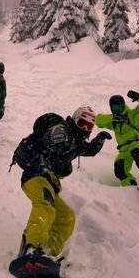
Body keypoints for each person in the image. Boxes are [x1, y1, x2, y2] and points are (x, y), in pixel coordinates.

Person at [11, 107, 111, 259]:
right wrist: (57, 136)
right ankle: (32, 248)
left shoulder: (75, 142)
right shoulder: (63, 130)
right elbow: (55, 131)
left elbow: (89, 150)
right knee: (45, 207)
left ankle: (48, 254)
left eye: (89, 126)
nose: (85, 128)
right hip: (36, 175)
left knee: (66, 217)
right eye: (83, 123)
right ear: (75, 120)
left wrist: (100, 140)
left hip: (48, 181)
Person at [95, 90, 139, 187]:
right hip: (123, 150)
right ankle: (130, 185)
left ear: (124, 105)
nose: (119, 110)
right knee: (119, 168)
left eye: (121, 107)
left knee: (136, 153)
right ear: (111, 108)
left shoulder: (132, 116)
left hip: (137, 143)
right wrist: (113, 117)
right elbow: (97, 120)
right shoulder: (114, 122)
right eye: (116, 108)